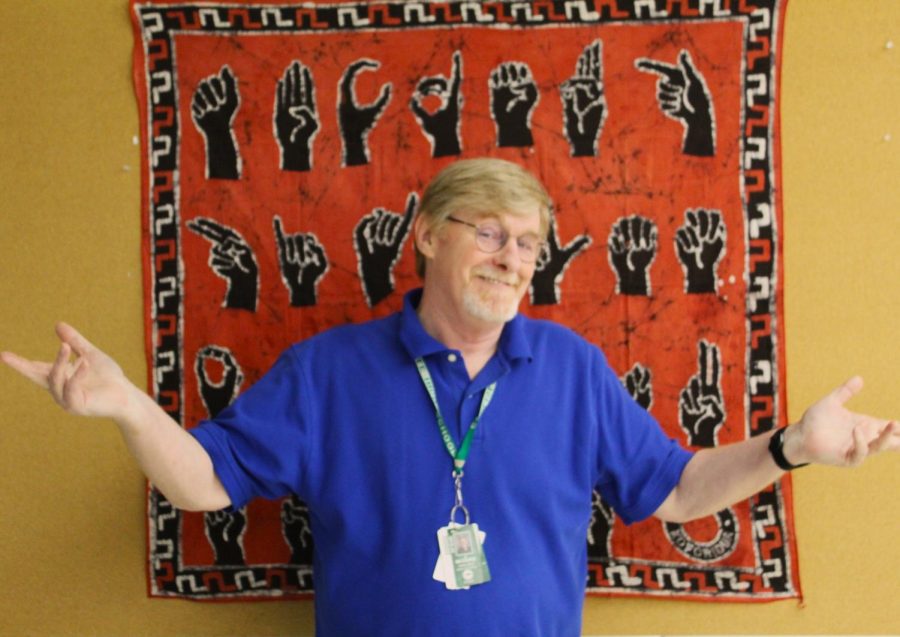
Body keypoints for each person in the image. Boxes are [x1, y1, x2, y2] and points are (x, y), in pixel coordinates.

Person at [2, 158, 897, 636]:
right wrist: (126, 405)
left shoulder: (572, 366)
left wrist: (793, 447)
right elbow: (202, 480)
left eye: (530, 245)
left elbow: (677, 490)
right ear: (428, 233)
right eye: (493, 233)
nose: (514, 259)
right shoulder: (328, 371)